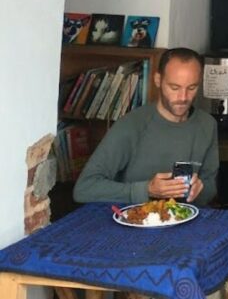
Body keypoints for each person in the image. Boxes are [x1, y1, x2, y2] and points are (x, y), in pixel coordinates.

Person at [74, 47, 219, 206]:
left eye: (192, 88)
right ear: (158, 80)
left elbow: (211, 186)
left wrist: (201, 189)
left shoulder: (207, 124)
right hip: (134, 222)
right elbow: (84, 189)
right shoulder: (130, 126)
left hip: (185, 221)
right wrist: (146, 190)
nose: (183, 97)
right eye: (174, 87)